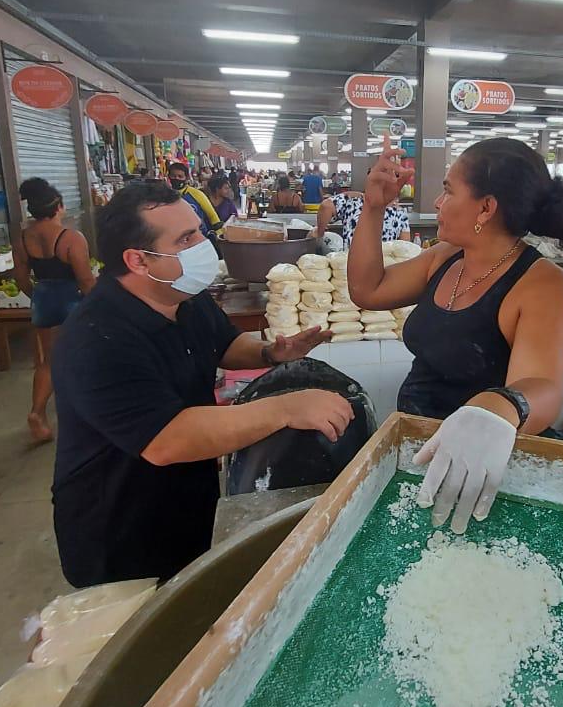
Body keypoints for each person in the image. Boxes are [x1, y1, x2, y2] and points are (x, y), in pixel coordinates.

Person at [50, 181, 350, 586]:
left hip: (185, 501)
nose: (202, 245)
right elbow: (167, 439)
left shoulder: (182, 296)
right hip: (121, 531)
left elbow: (223, 343)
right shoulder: (98, 339)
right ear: (138, 260)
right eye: (186, 238)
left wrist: (271, 353)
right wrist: (287, 408)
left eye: (199, 231)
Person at [348, 137, 563, 533]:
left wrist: (495, 407)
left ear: (486, 208)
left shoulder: (542, 285)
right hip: (422, 446)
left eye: (448, 191)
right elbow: (367, 289)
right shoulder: (445, 257)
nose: (438, 203)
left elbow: (543, 385)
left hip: (483, 465)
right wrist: (373, 208)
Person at [12, 178, 96, 444]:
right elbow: (85, 279)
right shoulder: (71, 238)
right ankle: (84, 415)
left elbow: (22, 279)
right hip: (72, 301)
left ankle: (37, 413)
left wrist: (38, 297)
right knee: (81, 357)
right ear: (59, 207)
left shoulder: (24, 238)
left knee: (48, 361)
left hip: (44, 299)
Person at [315, 187, 411, 247]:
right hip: (383, 269)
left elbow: (326, 206)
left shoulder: (353, 202)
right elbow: (405, 246)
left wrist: (320, 232)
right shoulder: (400, 213)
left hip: (350, 267)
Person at [167, 161, 222, 240]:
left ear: (186, 178)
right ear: (169, 176)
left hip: (198, 238)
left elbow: (213, 217)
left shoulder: (196, 194)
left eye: (180, 176)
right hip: (175, 239)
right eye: (173, 176)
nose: (176, 179)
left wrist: (218, 235)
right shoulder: (164, 195)